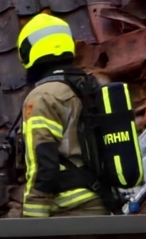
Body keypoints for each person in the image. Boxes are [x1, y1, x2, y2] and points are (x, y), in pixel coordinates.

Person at [17, 13, 109, 218]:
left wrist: (31, 221)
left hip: (69, 212)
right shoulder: (92, 86)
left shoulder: (43, 97)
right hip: (101, 205)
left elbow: (43, 166)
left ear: (28, 52)